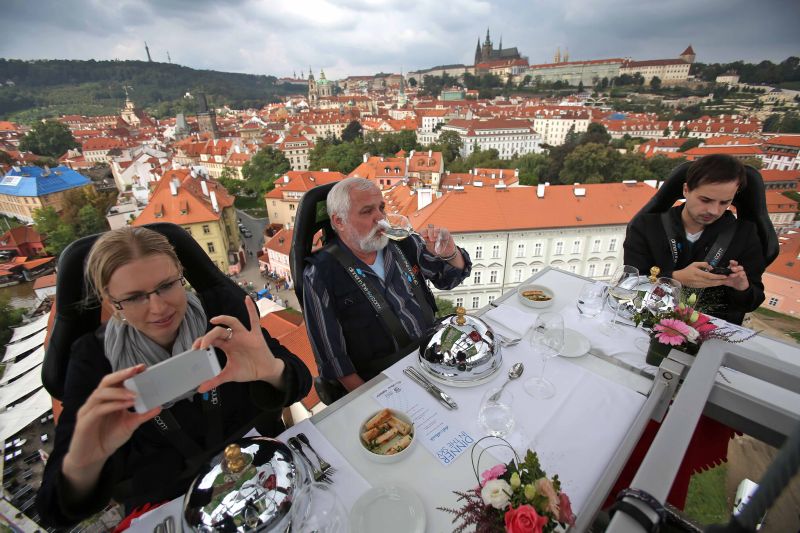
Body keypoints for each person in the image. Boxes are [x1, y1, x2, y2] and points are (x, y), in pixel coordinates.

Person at [36, 227, 311, 527]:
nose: (158, 307)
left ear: (181, 274)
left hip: (264, 470)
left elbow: (301, 382)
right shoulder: (93, 361)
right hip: (170, 507)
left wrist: (272, 371)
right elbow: (54, 511)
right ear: (112, 302)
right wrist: (86, 461)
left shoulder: (220, 313)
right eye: (135, 297)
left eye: (166, 285)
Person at [303, 177, 471, 394]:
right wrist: (370, 399)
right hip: (383, 379)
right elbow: (333, 360)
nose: (381, 218)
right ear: (339, 221)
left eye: (381, 208)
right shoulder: (320, 274)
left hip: (433, 354)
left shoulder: (403, 242)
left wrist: (450, 253)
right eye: (367, 211)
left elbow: (448, 280)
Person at [623, 154, 766, 325]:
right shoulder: (647, 226)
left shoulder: (744, 235)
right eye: (705, 200)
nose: (714, 210)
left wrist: (741, 288)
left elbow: (752, 302)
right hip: (646, 319)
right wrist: (675, 278)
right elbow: (630, 284)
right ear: (686, 190)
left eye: (724, 202)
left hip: (708, 329)